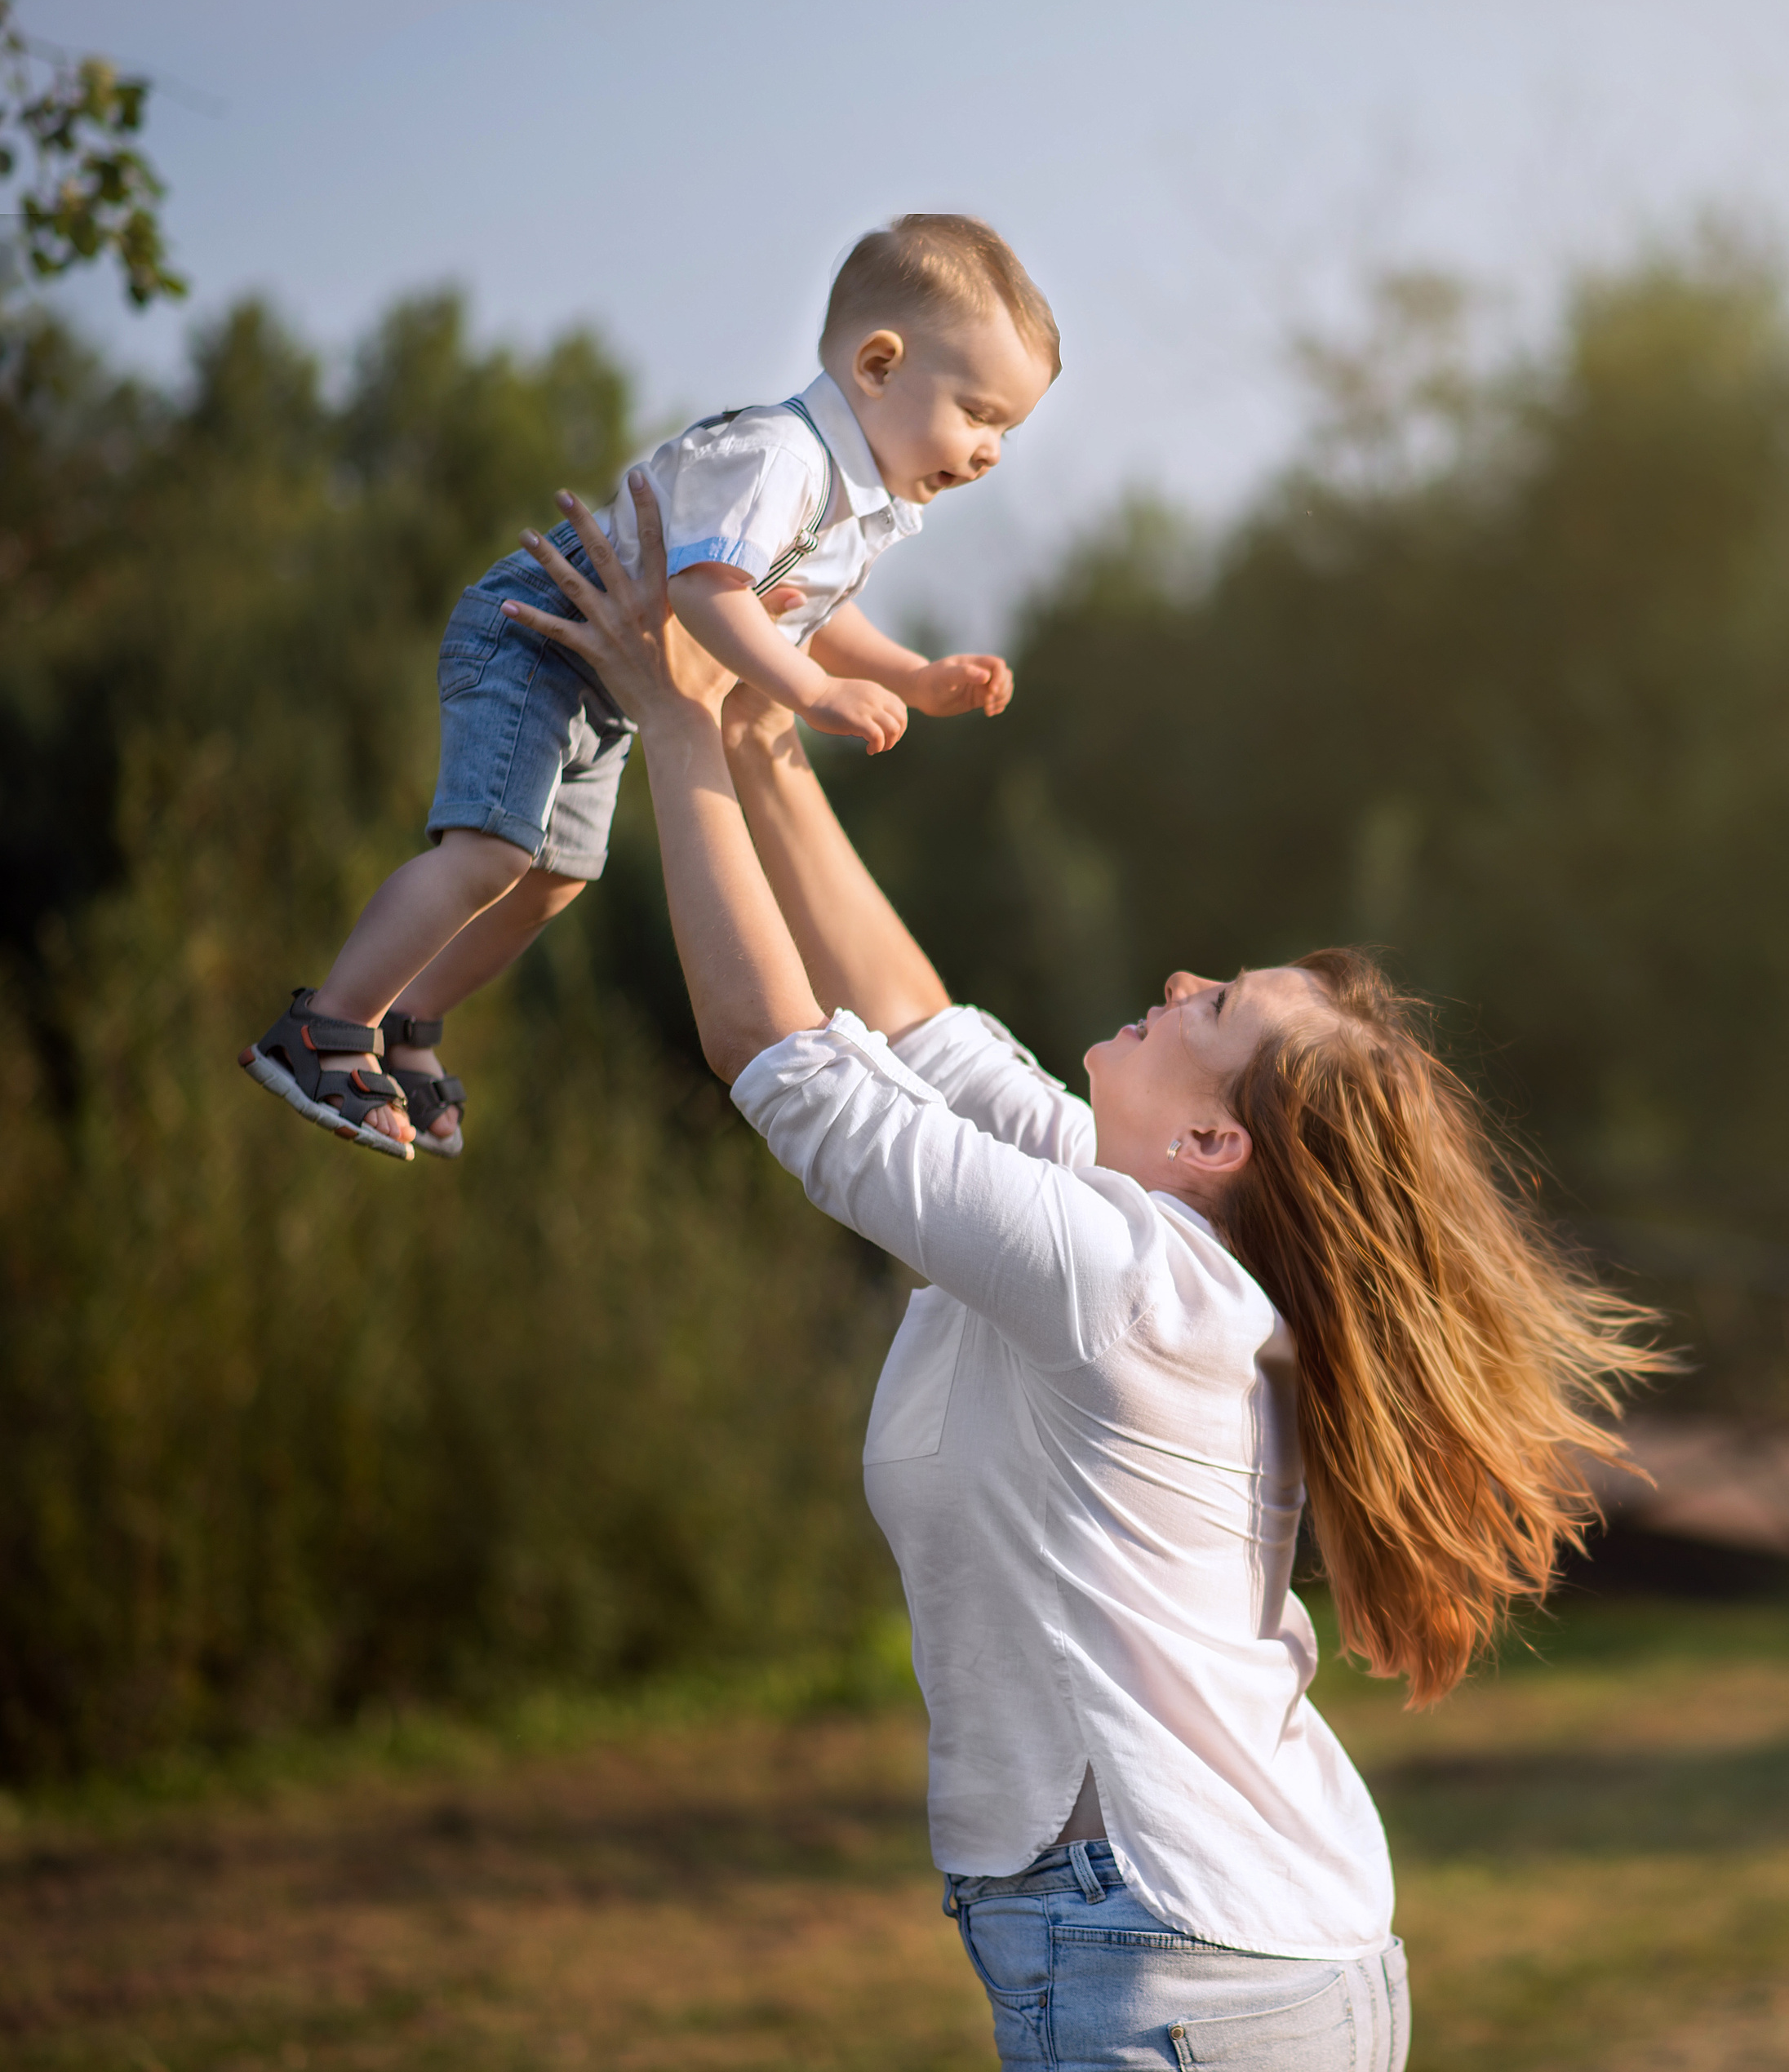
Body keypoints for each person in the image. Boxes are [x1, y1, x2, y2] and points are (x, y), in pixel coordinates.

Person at [498, 478, 1659, 2072]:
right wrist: (758, 708)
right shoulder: (1140, 1237)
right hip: (1240, 1942)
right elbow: (915, 1027)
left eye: (1213, 1009)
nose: (1176, 978)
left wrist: (673, 729)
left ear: (1211, 1142)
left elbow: (781, 1057)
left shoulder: (1122, 1274)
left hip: (1167, 1955)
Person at [239, 213, 1057, 1161]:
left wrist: (914, 674)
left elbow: (809, 612)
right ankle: (326, 1027)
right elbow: (708, 592)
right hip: (539, 638)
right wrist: (811, 692)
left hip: (602, 679)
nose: (992, 448)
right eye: (979, 412)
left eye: (1006, 427)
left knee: (554, 878)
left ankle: (407, 1019)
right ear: (878, 365)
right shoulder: (780, 457)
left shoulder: (856, 501)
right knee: (492, 852)